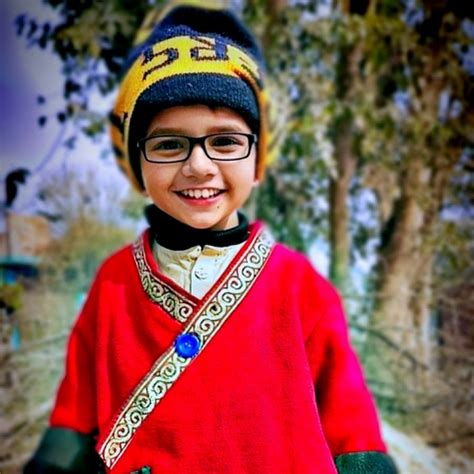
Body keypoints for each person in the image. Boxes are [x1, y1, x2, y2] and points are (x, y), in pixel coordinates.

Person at [25, 4, 397, 473]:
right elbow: (74, 417)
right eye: (168, 144)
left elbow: (352, 427)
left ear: (257, 159)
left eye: (225, 141)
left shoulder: (300, 287)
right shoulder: (114, 283)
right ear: (137, 164)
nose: (199, 166)